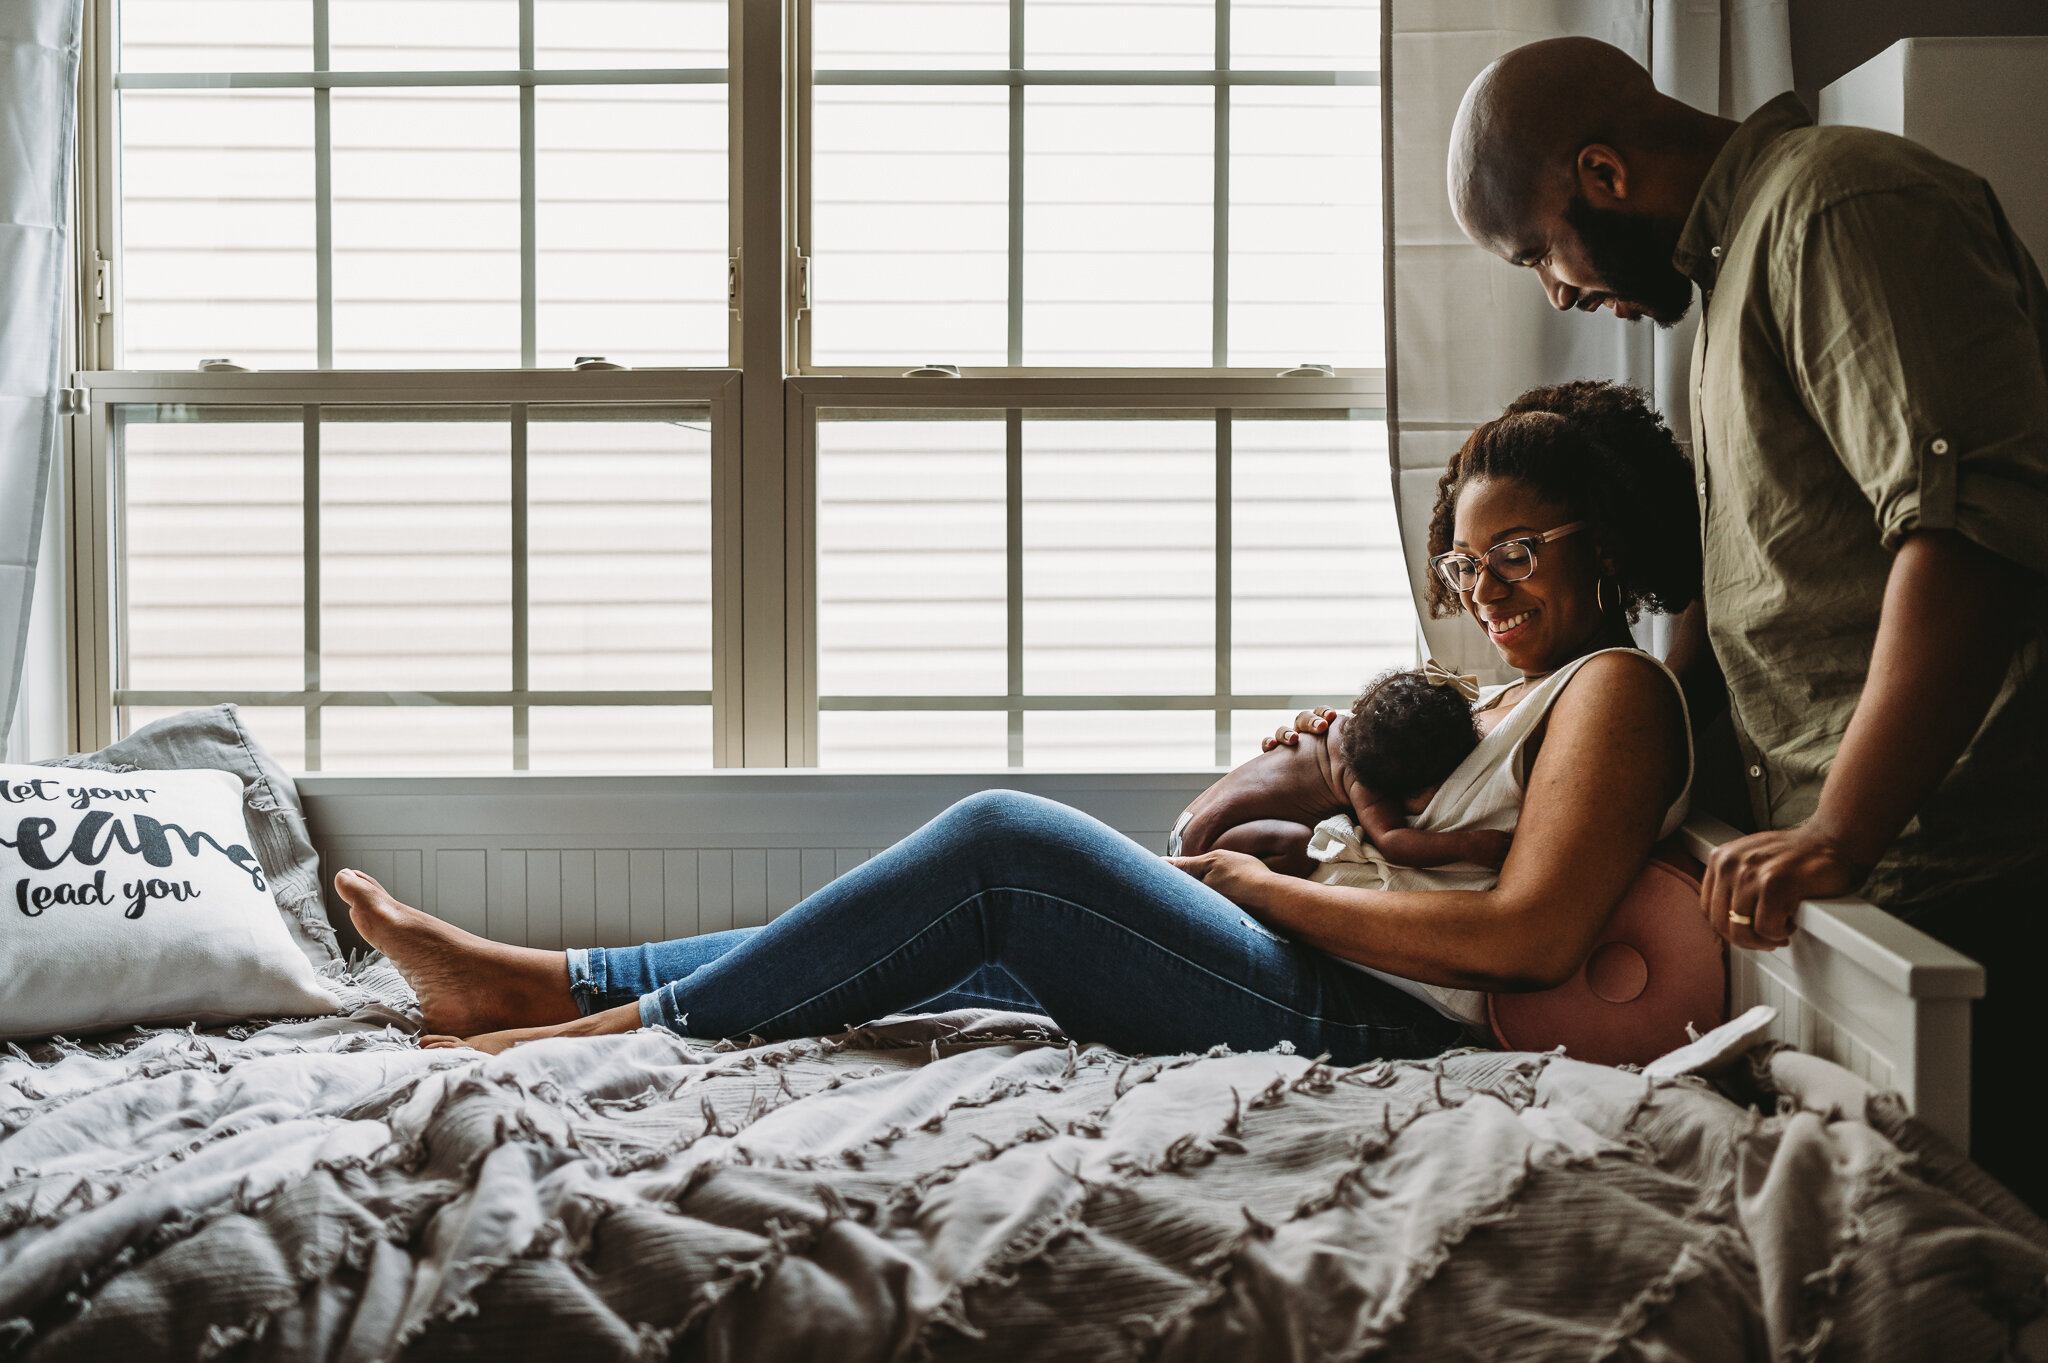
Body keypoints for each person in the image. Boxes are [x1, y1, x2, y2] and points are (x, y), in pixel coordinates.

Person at [337, 382, 1697, 1070]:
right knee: (953, 942)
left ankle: (607, 1030)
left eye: (1518, 550)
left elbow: (1531, 934)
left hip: (1386, 1018)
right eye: (1465, 565)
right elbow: (1222, 829)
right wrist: (1313, 782)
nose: (1486, 589)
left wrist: (1269, 898)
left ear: (1606, 544)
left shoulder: (1617, 690)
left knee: (1003, 843)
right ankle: (549, 976)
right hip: (1332, 958)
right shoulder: (1491, 699)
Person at [1445, 37, 2048, 1203]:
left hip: (1976, 882)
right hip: (1872, 896)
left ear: (1605, 175)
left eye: (1539, 253)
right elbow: (1746, 603)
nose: (1558, 291)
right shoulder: (1724, 288)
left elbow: (1970, 532)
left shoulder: (1836, 203)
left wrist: (1840, 832)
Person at [1166, 663, 1510, 878]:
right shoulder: (1366, 777)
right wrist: (1466, 845)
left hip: (1185, 825)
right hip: (1209, 848)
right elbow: (1392, 842)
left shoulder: (1338, 724)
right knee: (1299, 845)